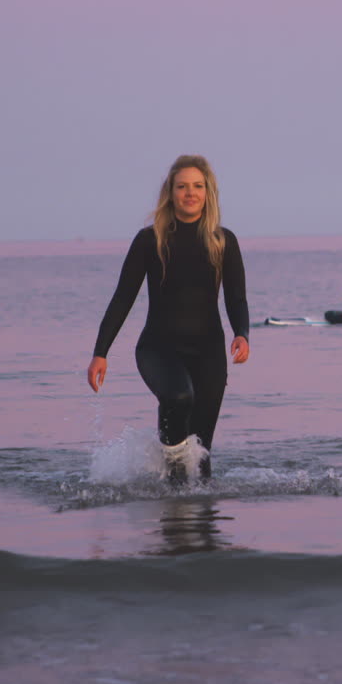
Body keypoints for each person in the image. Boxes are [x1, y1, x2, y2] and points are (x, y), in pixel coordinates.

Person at [87, 155, 250, 484]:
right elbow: (123, 298)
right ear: (171, 193)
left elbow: (236, 297)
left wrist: (242, 333)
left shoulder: (223, 241)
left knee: (202, 452)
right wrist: (100, 352)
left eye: (197, 186)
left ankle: (201, 521)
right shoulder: (150, 240)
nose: (190, 193)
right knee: (178, 397)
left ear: (208, 193)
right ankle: (171, 481)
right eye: (182, 187)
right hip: (158, 348)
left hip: (209, 352)